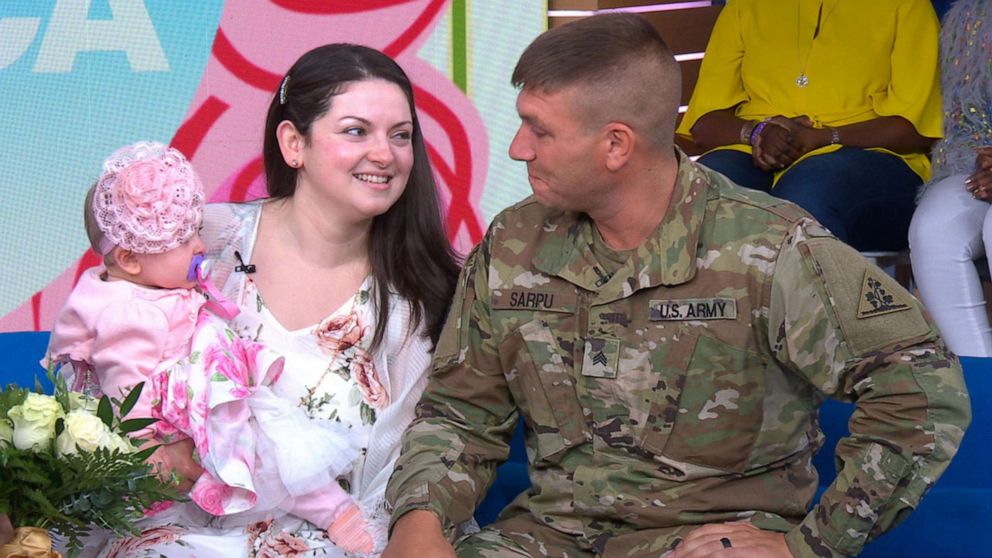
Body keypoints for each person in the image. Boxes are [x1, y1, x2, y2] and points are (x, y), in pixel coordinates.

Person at [383, 13, 970, 558]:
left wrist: (808, 547)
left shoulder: (769, 248)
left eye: (540, 131)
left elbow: (920, 387)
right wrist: (419, 521)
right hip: (548, 538)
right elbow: (460, 412)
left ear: (616, 145)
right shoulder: (515, 240)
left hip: (707, 544)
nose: (519, 149)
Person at [78, 44, 459, 557]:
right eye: (355, 130)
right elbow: (110, 344)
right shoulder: (205, 241)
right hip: (180, 524)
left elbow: (407, 461)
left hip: (335, 539)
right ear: (293, 142)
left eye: (401, 136)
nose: (385, 154)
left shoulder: (416, 294)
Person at [45, 141, 375, 553]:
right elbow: (125, 390)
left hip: (213, 401)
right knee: (268, 457)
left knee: (272, 452)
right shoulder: (127, 313)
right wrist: (153, 446)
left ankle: (335, 513)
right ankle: (337, 515)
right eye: (184, 239)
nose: (200, 246)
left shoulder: (156, 284)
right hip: (185, 422)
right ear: (130, 259)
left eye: (196, 231)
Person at [676, 0, 941, 252]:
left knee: (808, 191)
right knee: (703, 187)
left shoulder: (907, 6)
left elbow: (915, 130)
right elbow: (705, 124)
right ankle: (709, 300)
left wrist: (825, 137)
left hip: (871, 158)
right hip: (756, 150)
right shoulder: (746, 5)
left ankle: (811, 300)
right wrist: (758, 133)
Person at [909, 0, 992, 358]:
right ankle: (979, 384)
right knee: (934, 230)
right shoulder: (971, 12)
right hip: (973, 159)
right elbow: (963, 123)